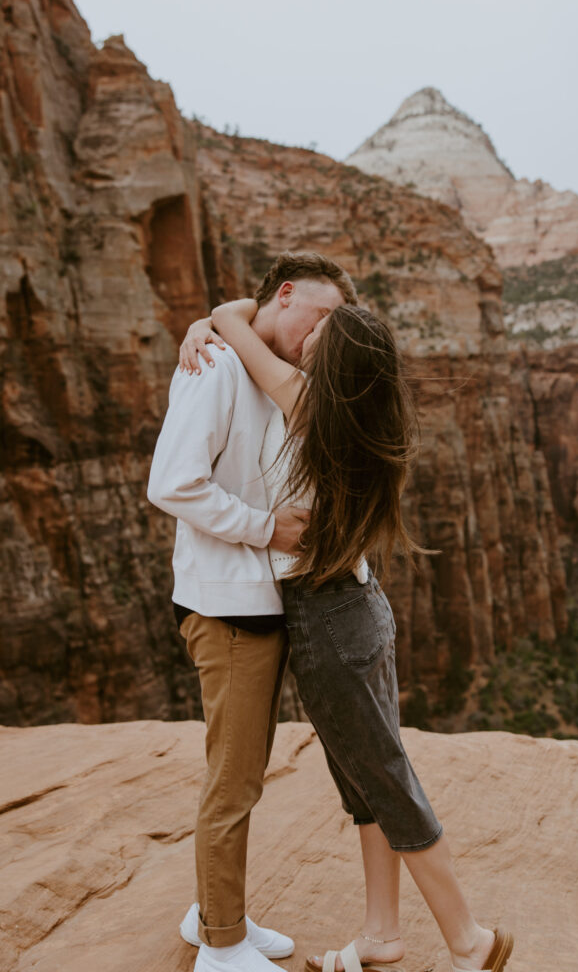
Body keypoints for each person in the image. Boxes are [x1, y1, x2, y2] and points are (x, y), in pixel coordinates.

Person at [178, 296, 514, 972]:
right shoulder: (365, 412)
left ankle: (468, 942)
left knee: (383, 781)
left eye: (319, 333)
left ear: (337, 361)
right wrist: (210, 324)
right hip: (359, 608)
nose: (303, 336)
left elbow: (238, 326)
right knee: (364, 782)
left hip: (330, 623)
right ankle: (381, 936)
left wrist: (210, 320)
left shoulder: (310, 403)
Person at [147, 251, 358, 972]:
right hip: (226, 607)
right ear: (286, 293)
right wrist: (266, 527)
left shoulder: (250, 356)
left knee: (244, 768)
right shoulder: (215, 366)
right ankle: (223, 947)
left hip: (261, 601)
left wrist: (223, 314)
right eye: (321, 313)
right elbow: (171, 483)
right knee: (233, 779)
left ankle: (214, 909)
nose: (325, 331)